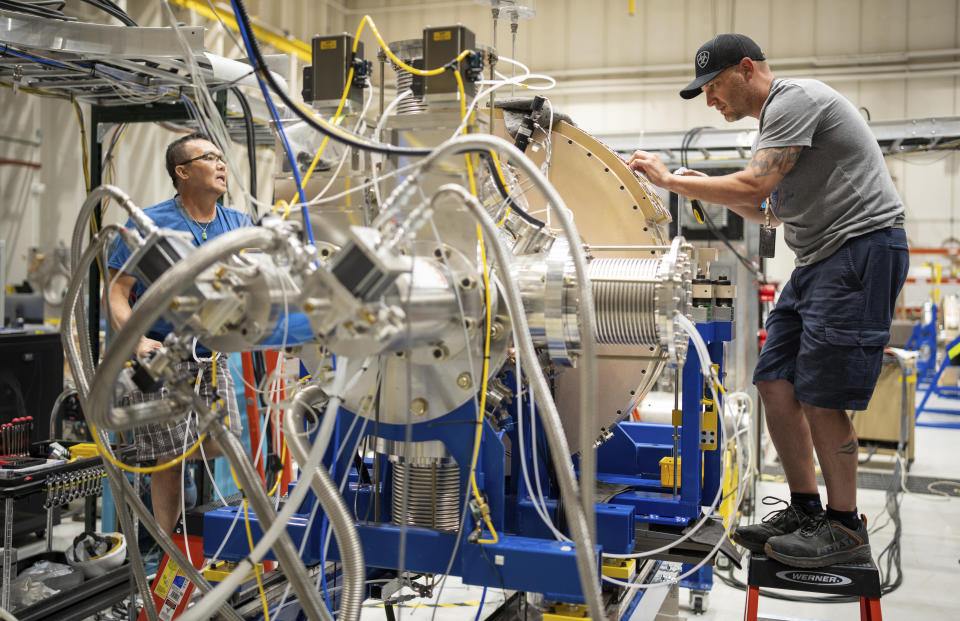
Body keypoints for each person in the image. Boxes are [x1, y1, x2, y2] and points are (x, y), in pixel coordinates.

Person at [627, 34, 908, 568]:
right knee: (774, 380)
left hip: (861, 247)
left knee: (822, 394)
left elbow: (755, 188)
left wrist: (672, 179)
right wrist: (694, 186)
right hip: (819, 257)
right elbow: (770, 211)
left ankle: (844, 527)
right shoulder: (774, 127)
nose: (711, 101)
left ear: (746, 69)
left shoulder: (793, 101)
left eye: (713, 88)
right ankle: (805, 509)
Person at [106, 132, 253, 536]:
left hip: (212, 354)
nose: (222, 165)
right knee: (166, 461)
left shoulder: (239, 225)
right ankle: (165, 549)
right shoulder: (149, 224)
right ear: (183, 172)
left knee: (222, 443)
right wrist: (136, 341)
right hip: (160, 353)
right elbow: (116, 292)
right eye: (210, 158)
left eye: (222, 158)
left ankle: (205, 531)